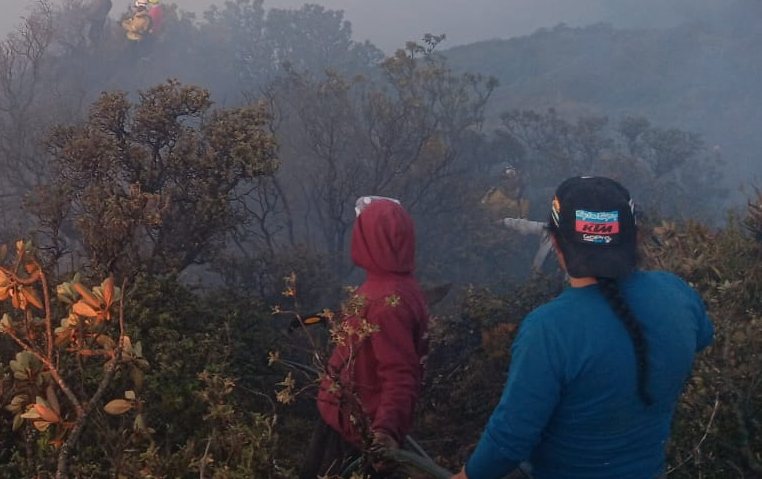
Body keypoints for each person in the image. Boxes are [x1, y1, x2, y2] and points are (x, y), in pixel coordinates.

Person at [450, 176, 714, 479]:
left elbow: (509, 441)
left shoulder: (549, 330)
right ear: (637, 237)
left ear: (556, 244)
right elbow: (700, 337)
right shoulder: (677, 294)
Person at [300, 196, 430, 479]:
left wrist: (386, 432)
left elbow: (400, 373)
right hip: (344, 420)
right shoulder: (394, 286)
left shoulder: (387, 302)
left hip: (355, 432)